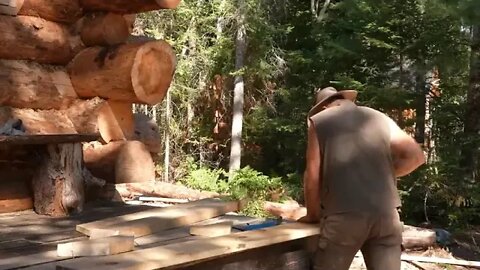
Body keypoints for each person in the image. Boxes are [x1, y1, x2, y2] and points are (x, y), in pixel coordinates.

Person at [299, 87, 425, 270]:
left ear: (324, 106)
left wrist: (312, 215)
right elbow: (416, 156)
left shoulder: (319, 121)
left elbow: (312, 176)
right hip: (387, 216)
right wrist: (379, 175)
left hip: (344, 218)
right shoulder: (378, 117)